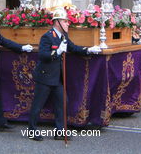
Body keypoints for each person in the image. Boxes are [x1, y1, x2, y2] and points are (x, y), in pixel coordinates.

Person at [28, 8, 102, 141]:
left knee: (63, 102)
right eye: (65, 21)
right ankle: (32, 130)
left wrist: (88, 49)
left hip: (56, 78)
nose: (68, 24)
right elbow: (43, 55)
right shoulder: (48, 36)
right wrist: (57, 52)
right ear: (57, 22)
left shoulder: (63, 36)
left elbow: (73, 48)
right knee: (38, 105)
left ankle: (60, 130)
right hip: (45, 76)